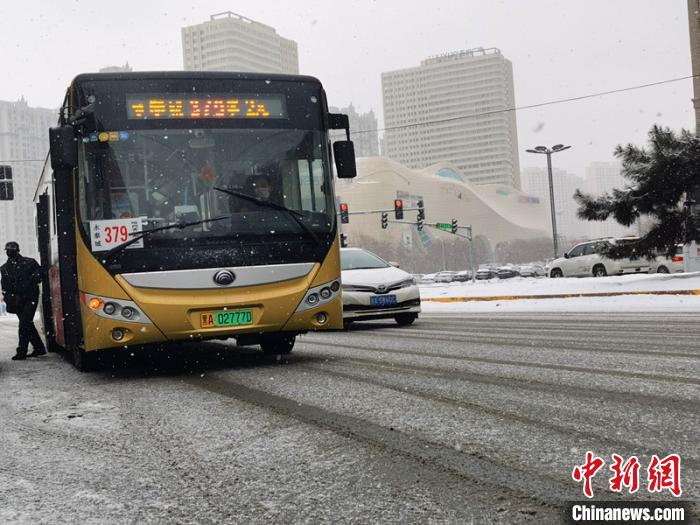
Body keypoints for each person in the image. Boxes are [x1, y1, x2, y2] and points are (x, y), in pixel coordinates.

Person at [0, 242, 46, 360]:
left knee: (24, 323)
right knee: (27, 324)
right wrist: (9, 297)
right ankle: (39, 348)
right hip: (17, 301)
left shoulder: (30, 262)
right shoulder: (4, 268)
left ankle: (22, 351)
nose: (10, 252)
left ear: (17, 250)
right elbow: (5, 286)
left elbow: (41, 272)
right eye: (8, 250)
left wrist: (36, 277)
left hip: (30, 297)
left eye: (12, 249)